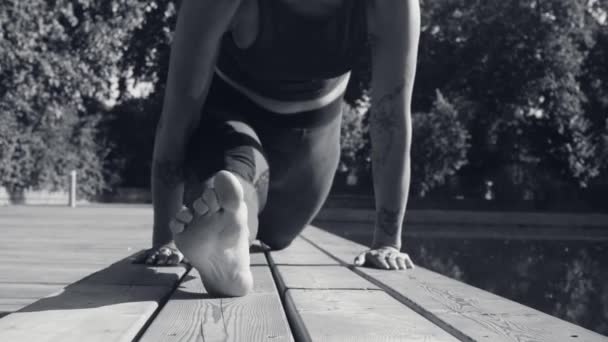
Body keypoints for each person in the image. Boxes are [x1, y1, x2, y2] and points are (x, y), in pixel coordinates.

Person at [136, 0, 420, 297]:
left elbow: (390, 120)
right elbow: (180, 111)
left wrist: (387, 241)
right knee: (236, 166)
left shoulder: (392, 5)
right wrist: (165, 240)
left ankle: (231, 231)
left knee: (278, 234)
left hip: (310, 152)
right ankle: (227, 238)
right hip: (228, 123)